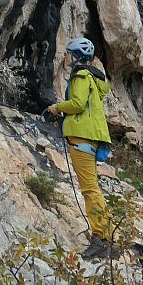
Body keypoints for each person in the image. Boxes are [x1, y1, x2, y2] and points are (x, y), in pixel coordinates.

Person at [45, 36, 114, 259]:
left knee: (89, 189)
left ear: (76, 56)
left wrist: (56, 108)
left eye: (68, 52)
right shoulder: (91, 78)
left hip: (82, 140)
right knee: (92, 188)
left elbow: (77, 103)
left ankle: (101, 238)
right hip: (89, 139)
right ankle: (107, 235)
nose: (65, 55)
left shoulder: (81, 76)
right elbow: (83, 109)